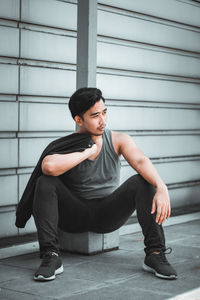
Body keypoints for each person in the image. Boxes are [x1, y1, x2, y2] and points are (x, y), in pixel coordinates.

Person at [32, 87, 177, 281]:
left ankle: (155, 254)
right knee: (44, 182)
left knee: (144, 181)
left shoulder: (118, 139)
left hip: (108, 213)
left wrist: (162, 187)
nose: (103, 120)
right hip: (73, 213)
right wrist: (85, 152)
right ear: (78, 120)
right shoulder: (68, 144)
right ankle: (51, 256)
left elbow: (141, 161)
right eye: (95, 116)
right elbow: (48, 167)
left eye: (104, 112)